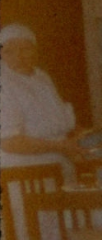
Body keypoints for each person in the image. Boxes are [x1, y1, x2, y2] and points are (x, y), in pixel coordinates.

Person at [2, 23, 89, 175]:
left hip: (59, 166)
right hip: (25, 174)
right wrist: (62, 146)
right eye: (9, 51)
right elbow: (9, 142)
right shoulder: (3, 83)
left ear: (35, 49)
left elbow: (54, 119)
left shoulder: (41, 77)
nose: (18, 57)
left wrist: (83, 134)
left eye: (25, 49)